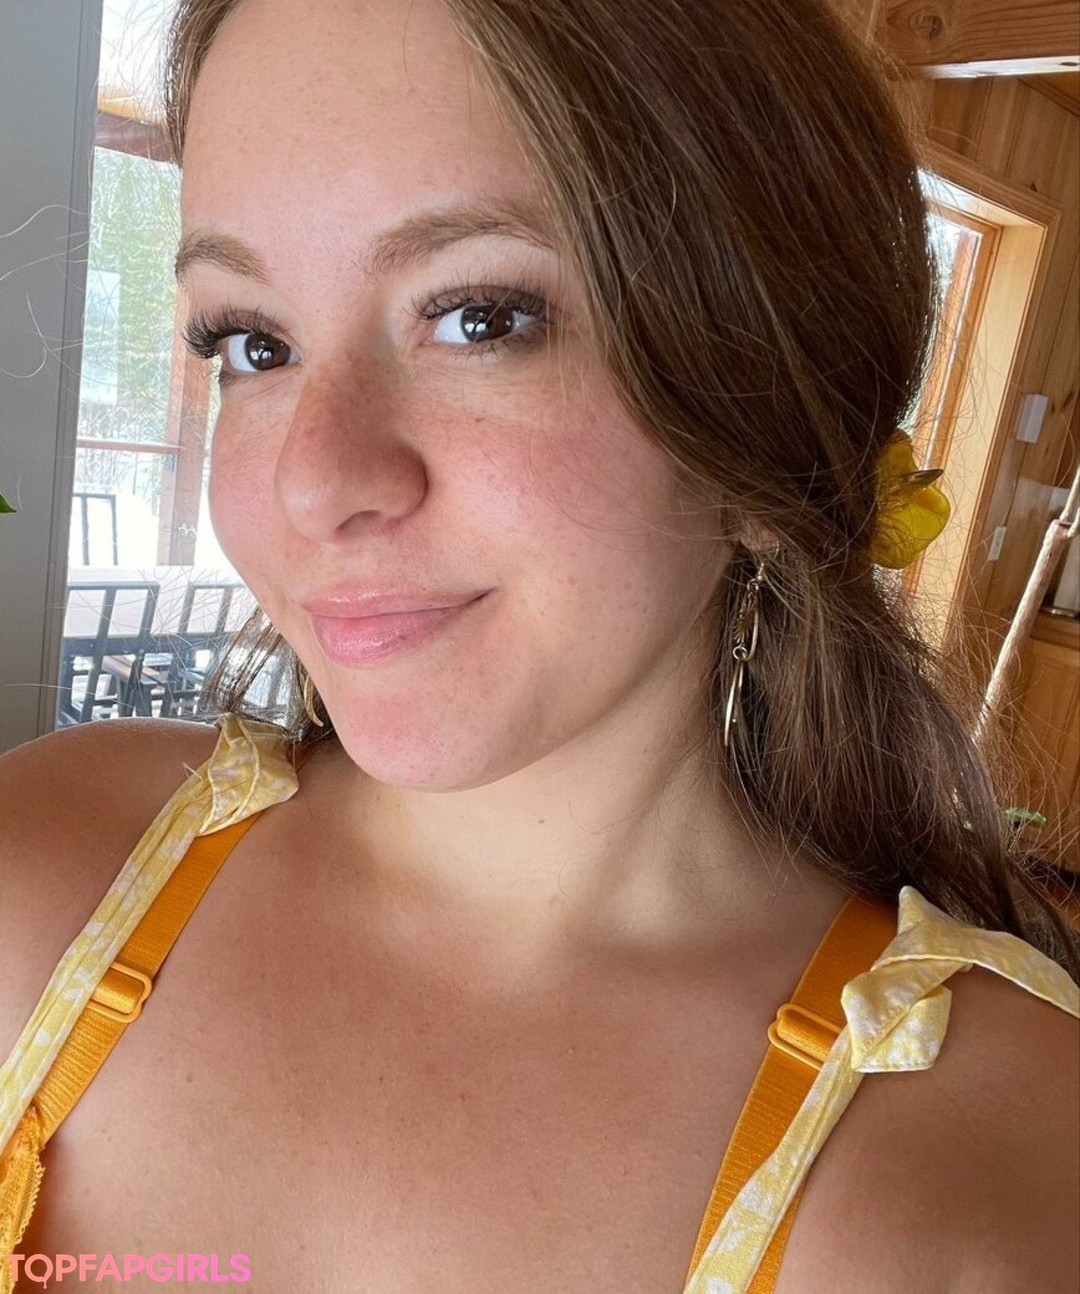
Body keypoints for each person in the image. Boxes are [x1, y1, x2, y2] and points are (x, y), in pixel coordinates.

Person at [1, 0, 1078, 1289]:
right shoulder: (41, 887)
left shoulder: (997, 1176)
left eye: (482, 319)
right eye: (254, 343)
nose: (315, 482)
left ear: (771, 425)